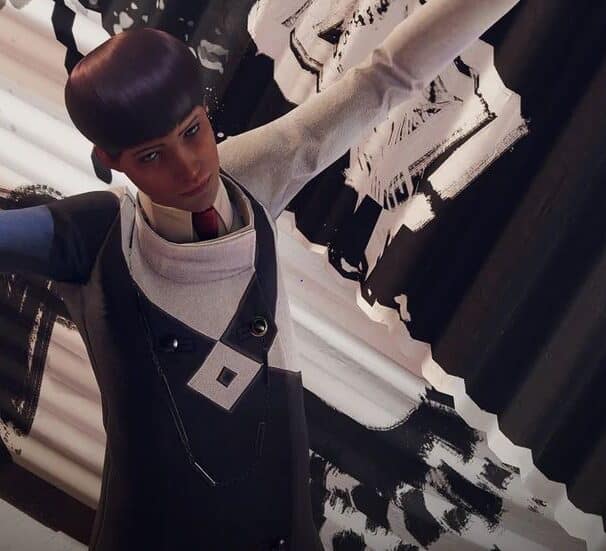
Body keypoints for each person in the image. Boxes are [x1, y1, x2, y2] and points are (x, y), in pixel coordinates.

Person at [0, 1, 520, 549]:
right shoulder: (96, 238)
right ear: (112, 161)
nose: (190, 167)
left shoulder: (248, 176)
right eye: (152, 156)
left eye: (193, 131)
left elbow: (384, 78)